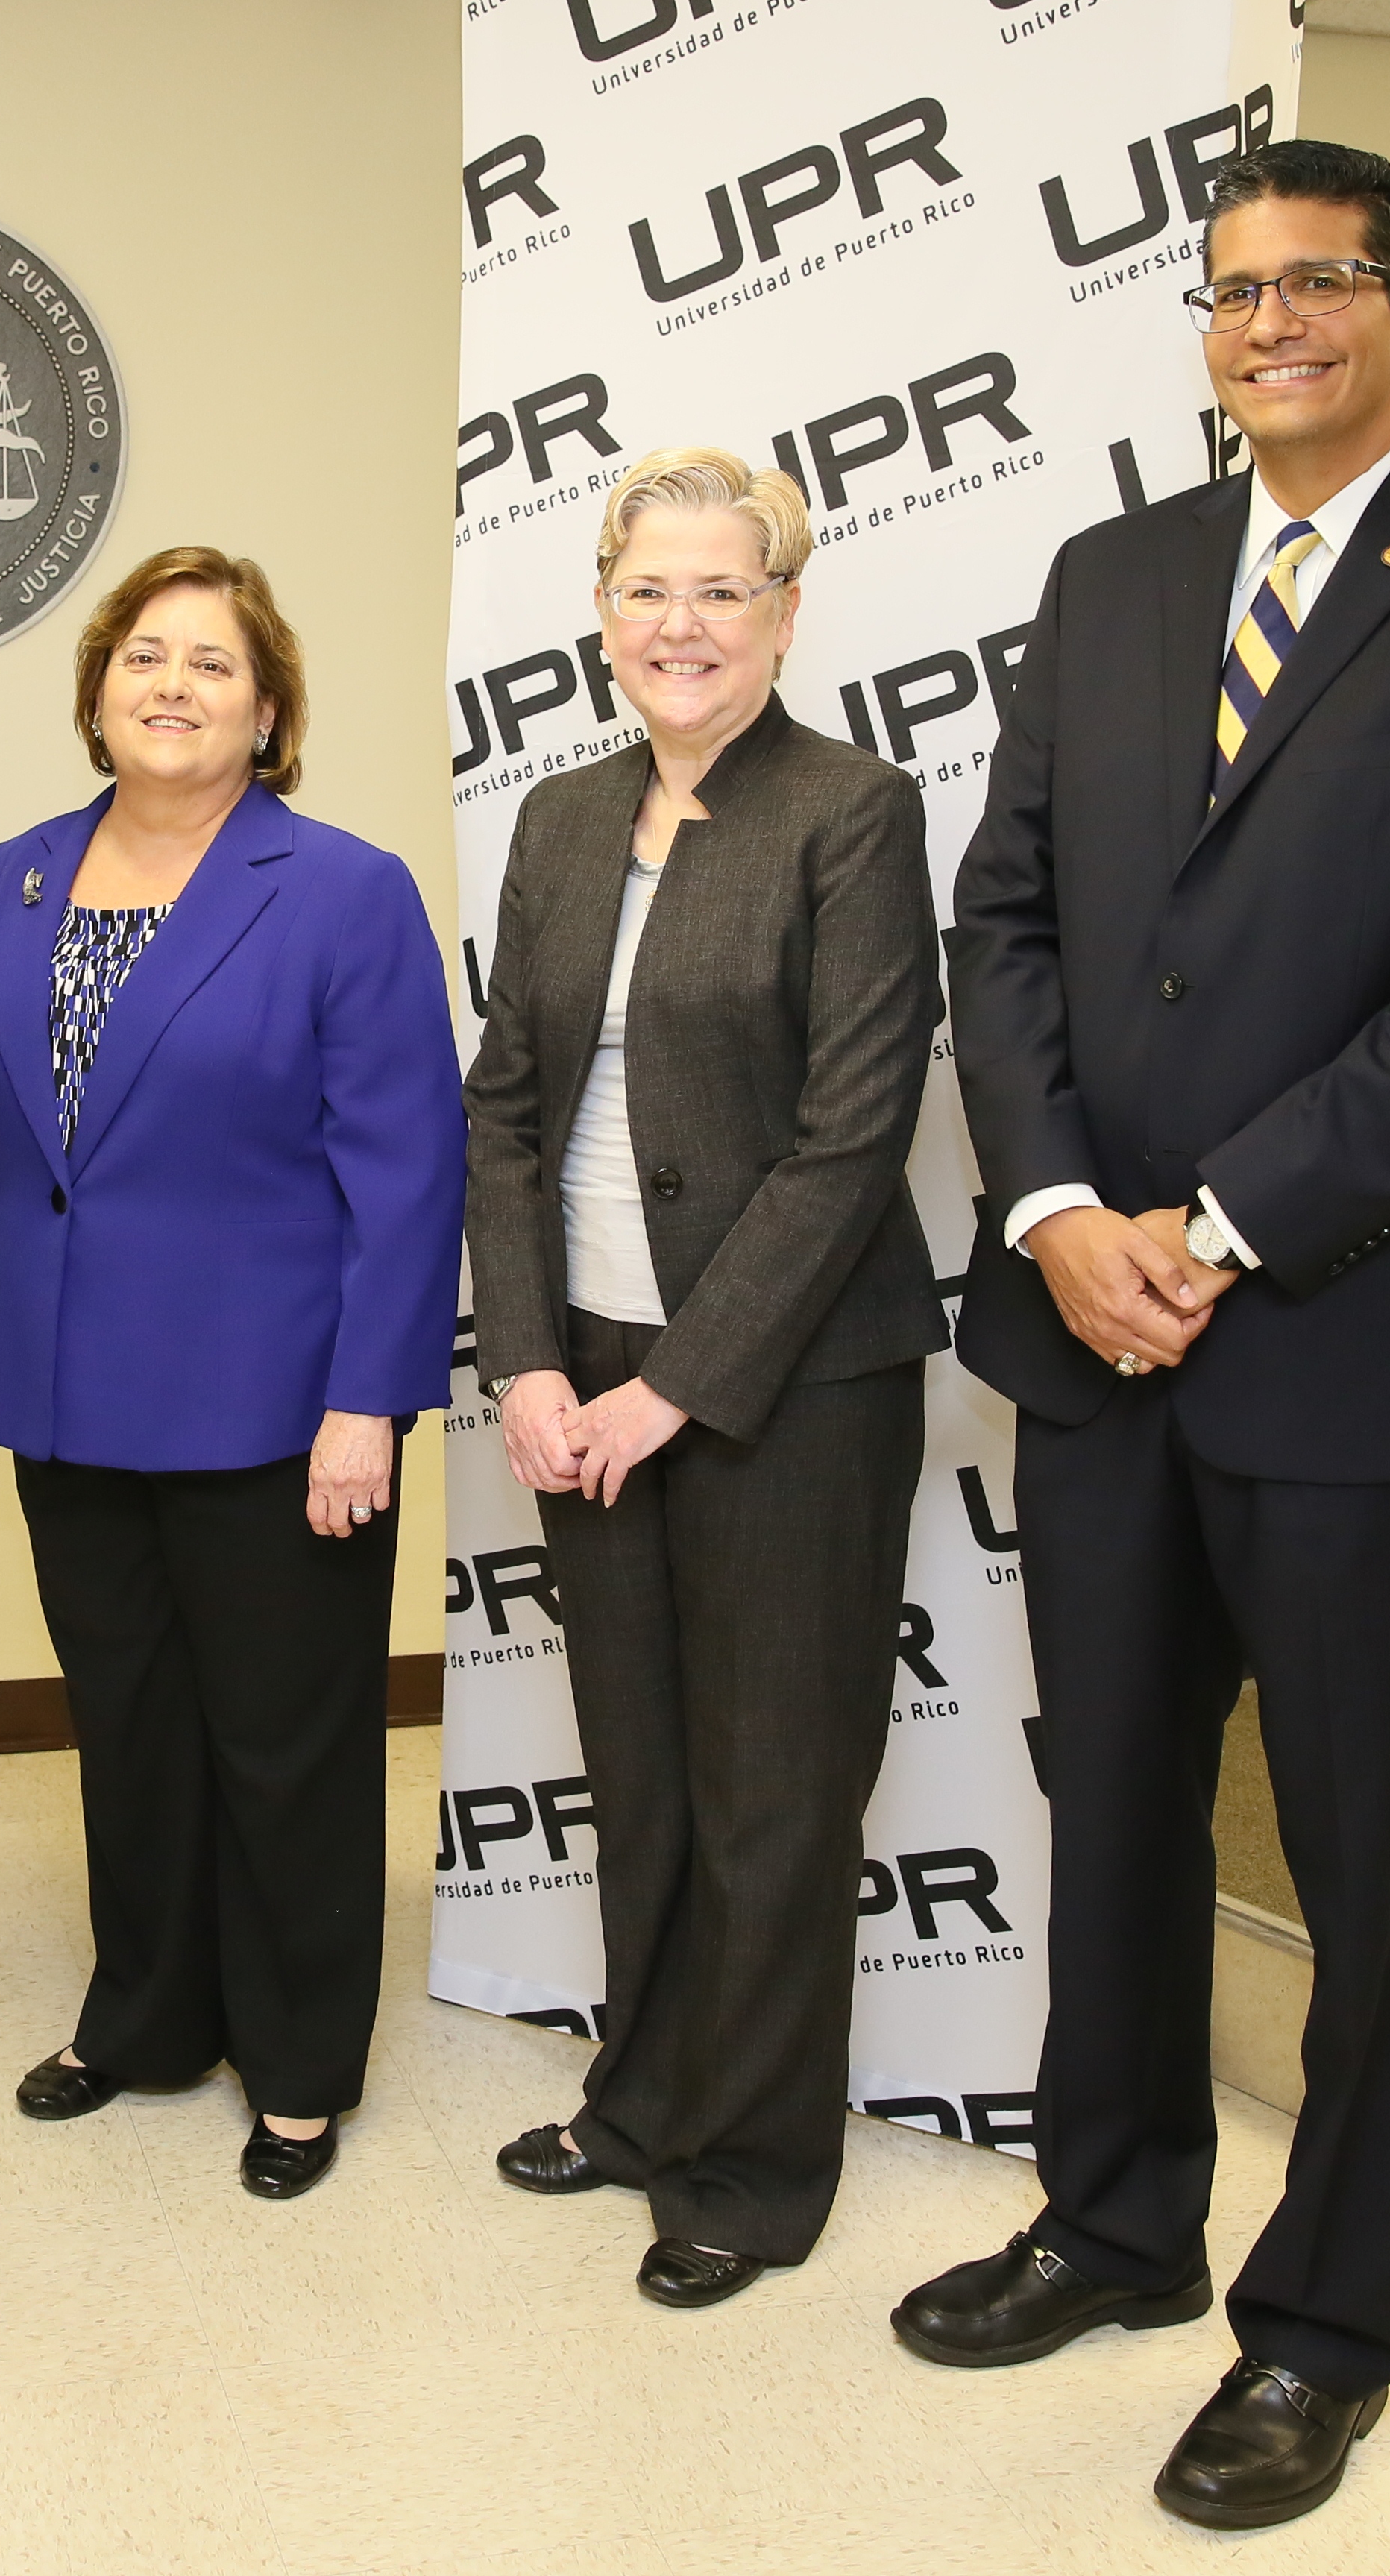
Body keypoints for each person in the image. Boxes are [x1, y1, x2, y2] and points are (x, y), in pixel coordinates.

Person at [913, 142, 1390, 2531]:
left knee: (1367, 1865)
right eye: (1231, 290)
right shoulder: (1108, 577)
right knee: (1109, 1817)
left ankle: (1318, 2327)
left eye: (1320, 282)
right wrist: (1048, 1208)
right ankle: (1114, 2223)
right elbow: (1003, 920)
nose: (1271, 322)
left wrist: (1213, 1221)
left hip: (1341, 1344)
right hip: (1091, 1342)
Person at [0, 546, 463, 2199]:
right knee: (130, 1728)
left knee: (281, 1745)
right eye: (141, 657)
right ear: (92, 695)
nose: (170, 685)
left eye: (210, 665)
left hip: (273, 1411)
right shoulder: (15, 874)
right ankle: (146, 2017)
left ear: (269, 710)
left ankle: (295, 2065)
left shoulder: (342, 890)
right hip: (62, 1396)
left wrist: (366, 1400)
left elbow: (404, 1169)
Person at [462, 452, 944, 2299]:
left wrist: (673, 1390)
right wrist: (523, 1361)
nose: (679, 626)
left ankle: (748, 2170)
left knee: (768, 1788)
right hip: (578, 1369)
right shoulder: (564, 818)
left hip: (783, 1388)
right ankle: (643, 2097)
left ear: (782, 616)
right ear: (602, 610)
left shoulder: (851, 812)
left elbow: (848, 1140)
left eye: (719, 594)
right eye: (647, 591)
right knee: (643, 1774)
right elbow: (501, 1106)